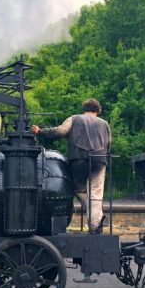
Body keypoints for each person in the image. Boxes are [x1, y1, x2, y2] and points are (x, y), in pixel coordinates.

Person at [31, 99, 111, 234]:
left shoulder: (75, 119)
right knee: (96, 194)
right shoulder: (105, 124)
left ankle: (92, 214)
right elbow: (108, 145)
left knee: (79, 189)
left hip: (79, 159)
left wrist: (40, 131)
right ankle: (96, 224)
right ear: (98, 110)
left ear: (84, 108)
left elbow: (60, 132)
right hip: (99, 160)